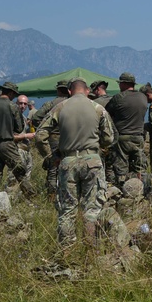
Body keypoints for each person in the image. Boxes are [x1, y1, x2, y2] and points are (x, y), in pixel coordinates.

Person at [35, 78, 117, 245]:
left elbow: (40, 135)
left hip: (68, 161)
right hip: (92, 161)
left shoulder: (60, 107)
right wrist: (97, 147)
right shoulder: (97, 108)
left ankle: (67, 249)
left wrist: (51, 157)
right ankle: (90, 246)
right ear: (87, 91)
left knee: (67, 209)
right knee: (92, 208)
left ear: (70, 91)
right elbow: (109, 138)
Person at [105, 72, 149, 186]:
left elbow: (107, 112)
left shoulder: (118, 97)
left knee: (121, 168)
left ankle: (122, 190)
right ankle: (141, 189)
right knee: (140, 167)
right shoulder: (142, 97)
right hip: (139, 136)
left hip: (122, 137)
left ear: (123, 84)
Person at [31, 80, 71, 195]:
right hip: (69, 138)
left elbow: (36, 118)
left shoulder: (50, 104)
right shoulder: (72, 104)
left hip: (53, 138)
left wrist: (45, 128)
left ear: (58, 90)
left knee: (53, 167)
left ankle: (52, 194)